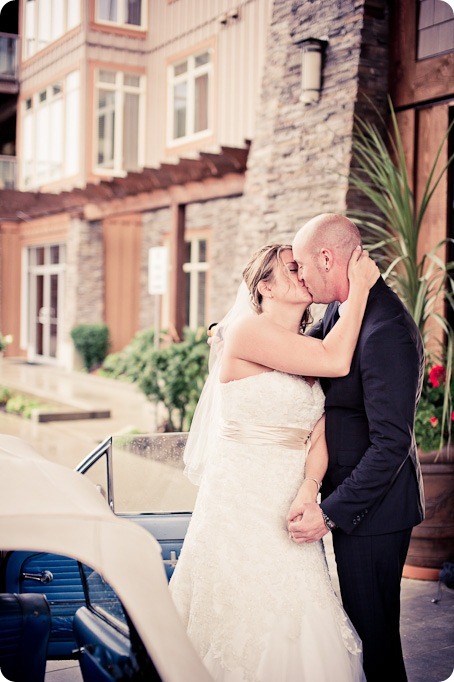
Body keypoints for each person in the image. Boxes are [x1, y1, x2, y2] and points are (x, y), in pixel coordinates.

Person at [170, 241, 379, 682]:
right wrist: (357, 289)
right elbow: (337, 360)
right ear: (264, 284)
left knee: (300, 607)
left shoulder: (306, 341)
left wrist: (310, 487)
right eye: (291, 268)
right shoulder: (247, 331)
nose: (302, 273)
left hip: (289, 496)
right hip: (241, 495)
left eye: (301, 266)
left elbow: (317, 430)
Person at [289, 213, 425, 682]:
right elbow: (309, 354)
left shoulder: (386, 328)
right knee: (362, 634)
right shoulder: (341, 310)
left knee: (375, 641)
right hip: (353, 502)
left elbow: (392, 444)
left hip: (376, 514)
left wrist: (330, 513)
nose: (300, 277)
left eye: (303, 266)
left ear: (327, 258)